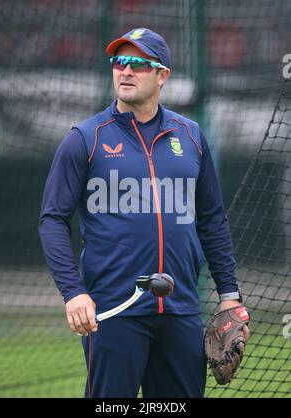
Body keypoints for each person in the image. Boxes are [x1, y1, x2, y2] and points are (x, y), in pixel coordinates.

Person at [39, 27, 249, 398]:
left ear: (162, 75)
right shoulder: (85, 139)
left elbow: (212, 219)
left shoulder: (192, 136)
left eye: (138, 63)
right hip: (115, 310)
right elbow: (53, 219)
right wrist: (73, 292)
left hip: (181, 308)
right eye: (119, 61)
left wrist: (229, 294)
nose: (125, 71)